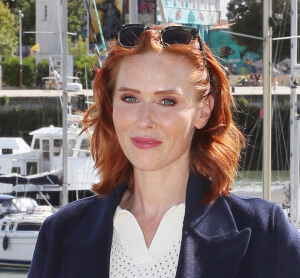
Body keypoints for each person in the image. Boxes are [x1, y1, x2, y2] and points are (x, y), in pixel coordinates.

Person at [28, 24, 300, 278]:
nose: (144, 119)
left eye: (167, 101)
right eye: (130, 98)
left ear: (203, 111)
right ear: (112, 107)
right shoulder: (60, 233)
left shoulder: (265, 233)